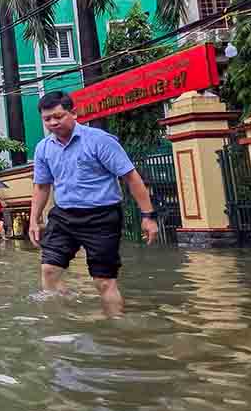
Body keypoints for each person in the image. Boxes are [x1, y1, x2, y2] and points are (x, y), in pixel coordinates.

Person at [29, 90, 159, 315]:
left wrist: (148, 216)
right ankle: (63, 321)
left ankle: (115, 327)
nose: (53, 122)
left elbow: (131, 177)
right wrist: (33, 219)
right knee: (49, 270)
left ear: (74, 113)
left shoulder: (99, 141)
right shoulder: (43, 148)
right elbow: (42, 186)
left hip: (102, 217)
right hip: (63, 216)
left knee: (103, 281)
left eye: (58, 116)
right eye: (47, 119)